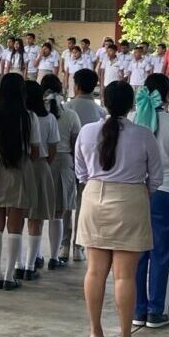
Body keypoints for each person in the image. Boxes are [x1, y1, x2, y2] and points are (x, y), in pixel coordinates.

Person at [75, 81, 162, 337]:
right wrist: (137, 194)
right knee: (125, 276)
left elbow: (80, 172)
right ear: (132, 105)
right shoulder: (144, 134)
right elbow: (156, 178)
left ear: (104, 101)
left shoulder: (87, 132)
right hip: (131, 199)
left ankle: (95, 332)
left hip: (94, 198)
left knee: (95, 271)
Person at [132, 73, 169, 328]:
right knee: (162, 253)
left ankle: (137, 309)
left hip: (134, 192)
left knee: (136, 252)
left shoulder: (132, 119)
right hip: (167, 191)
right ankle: (157, 310)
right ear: (167, 94)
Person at [0, 73, 39, 291]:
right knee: (15, 224)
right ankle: (9, 276)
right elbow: (35, 151)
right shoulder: (29, 117)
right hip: (20, 167)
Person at [63, 69, 107, 262]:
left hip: (67, 160)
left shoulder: (66, 107)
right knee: (83, 204)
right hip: (92, 166)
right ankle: (78, 246)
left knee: (66, 203)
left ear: (77, 85)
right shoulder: (101, 112)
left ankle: (63, 244)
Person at [20, 80, 59, 279]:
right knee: (37, 218)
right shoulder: (49, 118)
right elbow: (53, 149)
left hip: (19, 165)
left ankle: (18, 263)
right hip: (41, 166)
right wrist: (43, 165)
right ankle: (30, 264)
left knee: (17, 218)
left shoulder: (19, 117)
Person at [41, 75, 81, 270]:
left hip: (40, 161)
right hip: (64, 161)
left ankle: (35, 255)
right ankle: (55, 255)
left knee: (38, 211)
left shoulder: (36, 114)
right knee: (59, 211)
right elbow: (76, 146)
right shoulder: (71, 114)